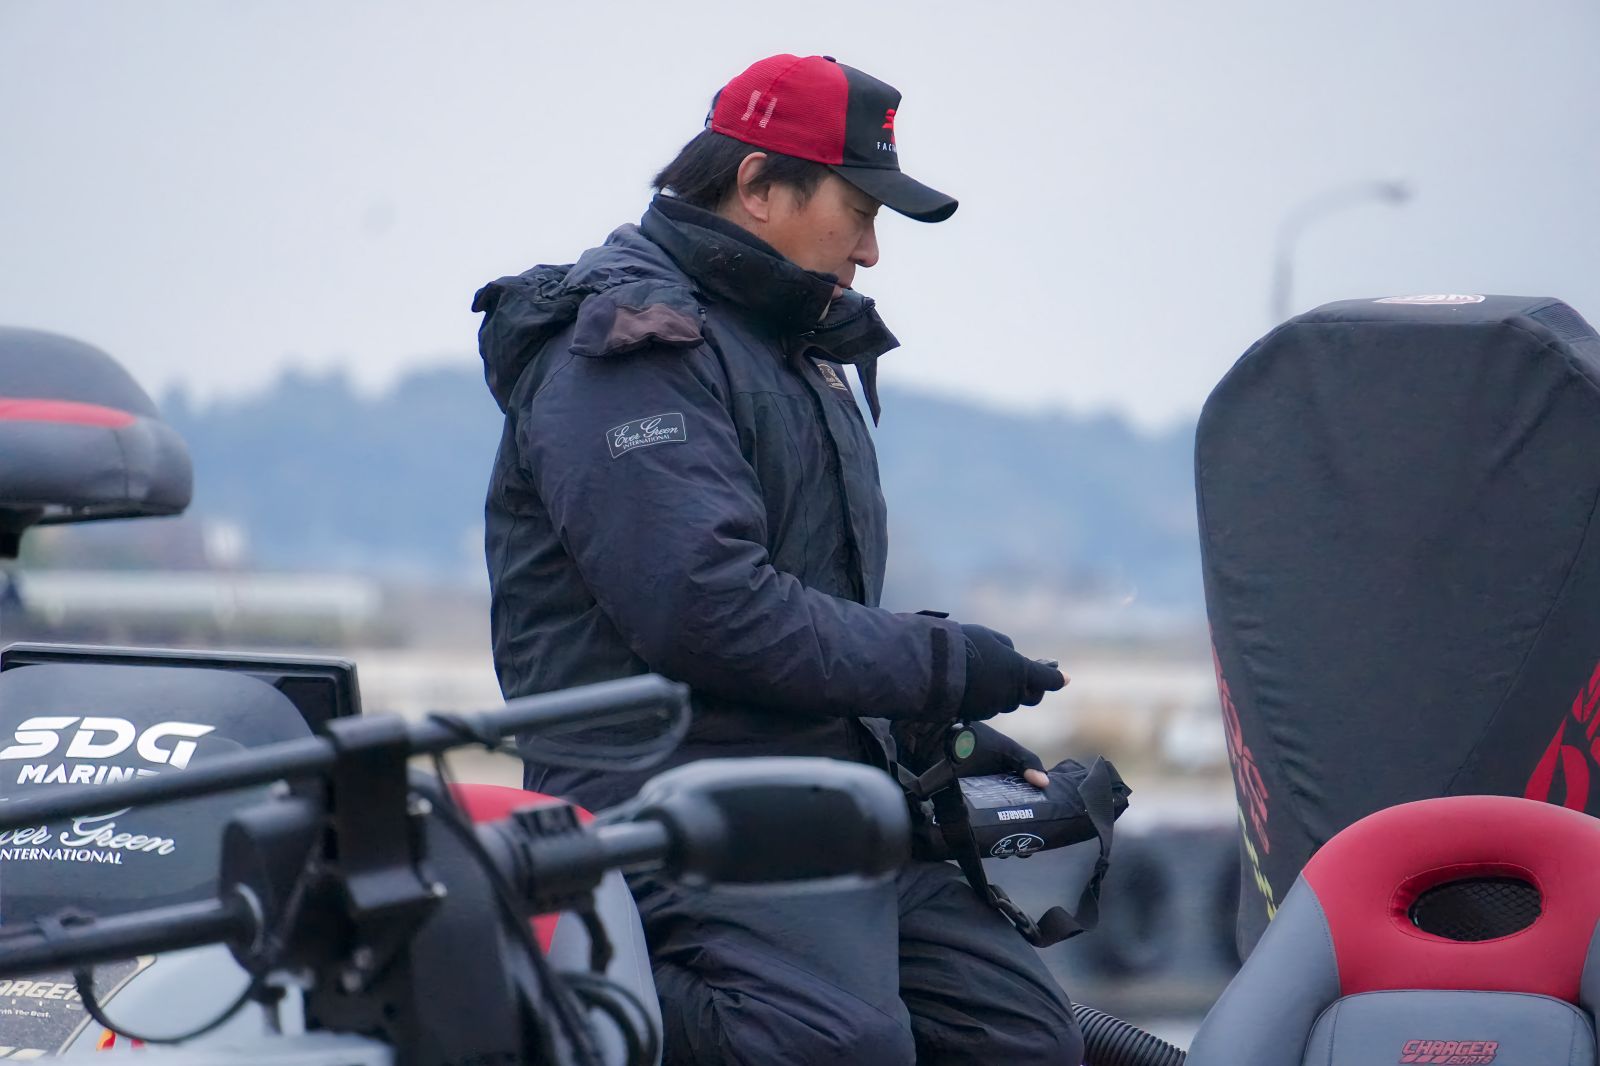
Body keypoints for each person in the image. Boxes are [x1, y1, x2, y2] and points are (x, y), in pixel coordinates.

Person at [474, 53, 1081, 1065]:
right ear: (757, 185)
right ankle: (529, 992)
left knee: (1018, 1039)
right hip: (664, 803)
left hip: (815, 796)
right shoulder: (631, 345)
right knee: (831, 1044)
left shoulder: (790, 347)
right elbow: (708, 610)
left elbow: (803, 615)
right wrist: (943, 663)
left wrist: (927, 730)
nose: (872, 251)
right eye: (860, 212)